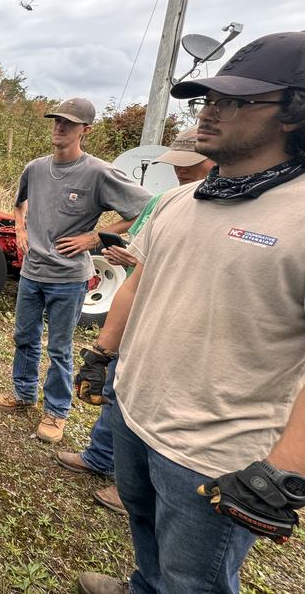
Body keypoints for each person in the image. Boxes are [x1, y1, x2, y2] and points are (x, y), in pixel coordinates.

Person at [76, 31, 305, 594]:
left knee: (193, 579)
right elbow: (139, 283)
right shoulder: (179, 202)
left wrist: (286, 467)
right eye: (210, 99)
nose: (211, 112)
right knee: (145, 531)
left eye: (236, 101)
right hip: (135, 414)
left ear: (294, 112)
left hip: (214, 454)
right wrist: (103, 354)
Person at [56, 128, 215, 515]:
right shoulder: (170, 202)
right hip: (137, 313)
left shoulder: (227, 213)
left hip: (176, 321)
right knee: (118, 386)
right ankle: (101, 458)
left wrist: (135, 258)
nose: (180, 173)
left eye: (189, 166)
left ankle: (136, 490)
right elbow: (137, 225)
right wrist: (111, 243)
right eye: (176, 166)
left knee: (157, 405)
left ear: (213, 159)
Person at [0, 97, 150, 443]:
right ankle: (23, 393)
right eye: (56, 121)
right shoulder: (34, 168)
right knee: (24, 338)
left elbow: (143, 208)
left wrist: (95, 238)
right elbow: (19, 204)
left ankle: (56, 412)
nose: (59, 127)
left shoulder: (97, 172)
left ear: (85, 130)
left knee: (59, 348)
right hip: (33, 273)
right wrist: (19, 230)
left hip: (68, 278)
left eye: (69, 123)